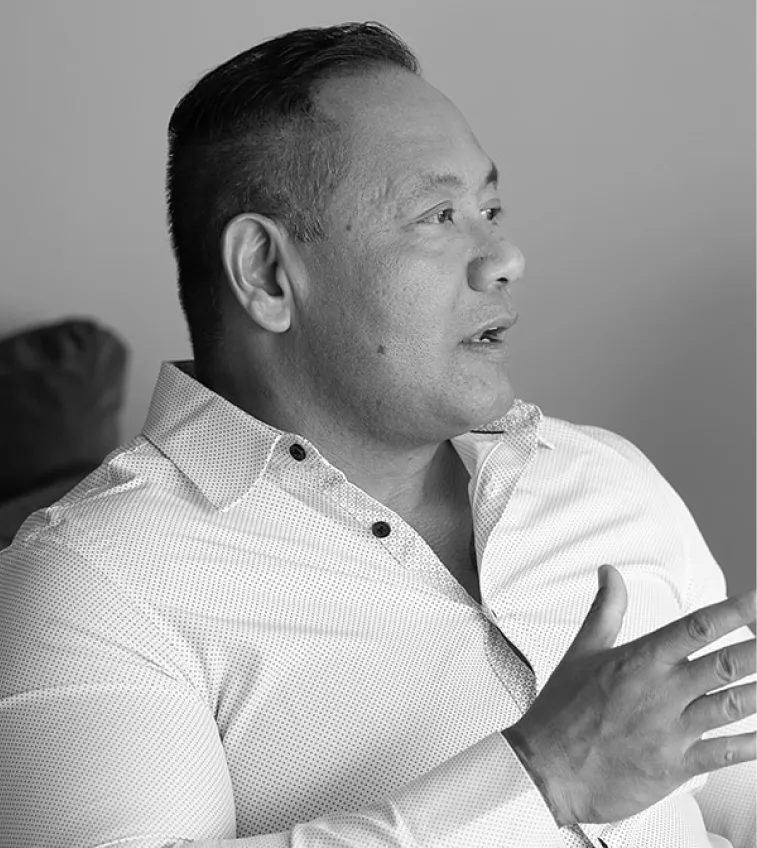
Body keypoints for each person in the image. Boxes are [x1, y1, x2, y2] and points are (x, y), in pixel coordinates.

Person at [1, 21, 756, 848]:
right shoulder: (89, 586)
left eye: (490, 208)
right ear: (265, 273)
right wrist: (544, 780)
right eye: (438, 215)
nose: (504, 255)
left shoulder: (608, 480)